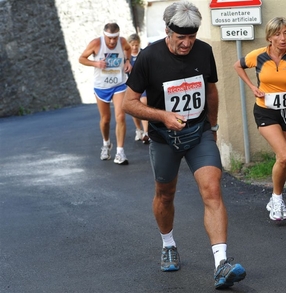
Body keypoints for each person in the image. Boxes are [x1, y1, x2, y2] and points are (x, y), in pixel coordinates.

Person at [123, 1, 246, 289]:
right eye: (181, 38)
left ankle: (221, 264)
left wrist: (212, 127)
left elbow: (211, 90)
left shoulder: (204, 51)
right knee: (165, 195)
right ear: (168, 31)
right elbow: (129, 103)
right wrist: (162, 115)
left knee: (212, 189)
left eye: (191, 37)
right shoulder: (149, 57)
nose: (187, 44)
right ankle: (168, 244)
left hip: (198, 133)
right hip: (163, 138)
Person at [233, 17, 286, 221]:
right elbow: (237, 65)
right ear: (270, 37)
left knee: (284, 160)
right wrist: (252, 87)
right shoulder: (259, 56)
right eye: (278, 34)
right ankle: (277, 200)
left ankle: (276, 199)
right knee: (284, 156)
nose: (283, 38)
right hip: (265, 111)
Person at [79, 23, 132, 165]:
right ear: (104, 35)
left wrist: (127, 61)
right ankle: (106, 143)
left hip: (119, 84)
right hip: (101, 86)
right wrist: (96, 64)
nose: (112, 41)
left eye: (115, 38)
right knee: (106, 119)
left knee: (120, 116)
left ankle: (120, 152)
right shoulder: (96, 43)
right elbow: (82, 58)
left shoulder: (122, 42)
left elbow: (128, 49)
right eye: (109, 38)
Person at [127, 33, 149, 144]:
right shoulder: (127, 57)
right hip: (131, 85)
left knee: (143, 104)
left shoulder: (143, 53)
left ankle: (146, 132)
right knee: (133, 108)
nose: (135, 47)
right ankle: (138, 130)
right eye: (132, 45)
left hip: (143, 84)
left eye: (137, 45)